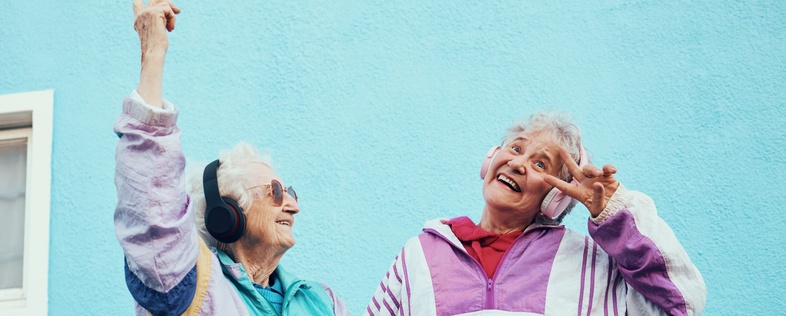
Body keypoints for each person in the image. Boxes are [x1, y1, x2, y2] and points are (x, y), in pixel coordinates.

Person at [114, 1, 347, 315]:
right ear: (227, 214)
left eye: (290, 192)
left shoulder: (323, 300)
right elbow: (153, 211)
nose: (294, 205)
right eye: (276, 192)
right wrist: (153, 54)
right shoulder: (194, 288)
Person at [365, 112, 706, 315]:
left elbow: (681, 301)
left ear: (555, 198)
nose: (517, 164)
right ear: (491, 159)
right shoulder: (419, 256)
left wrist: (616, 212)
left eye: (540, 164)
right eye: (515, 148)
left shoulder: (589, 262)